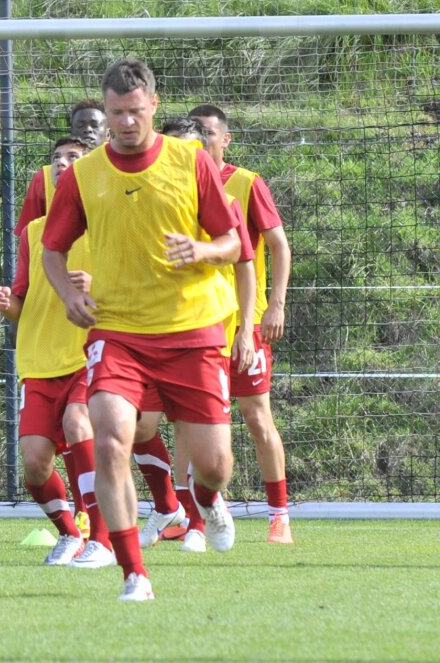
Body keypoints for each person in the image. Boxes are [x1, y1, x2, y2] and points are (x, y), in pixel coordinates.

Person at [42, 57, 242, 602]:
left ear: (154, 104)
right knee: (110, 441)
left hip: (192, 328)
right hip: (118, 331)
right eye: (115, 113)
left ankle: (208, 498)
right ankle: (134, 573)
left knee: (215, 465)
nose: (126, 122)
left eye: (134, 111)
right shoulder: (84, 174)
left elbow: (233, 244)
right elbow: (52, 250)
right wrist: (69, 295)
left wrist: (201, 249)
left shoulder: (190, 160)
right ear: (105, 112)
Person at [132, 115, 257, 553]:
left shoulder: (224, 203)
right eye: (175, 149)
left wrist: (245, 329)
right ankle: (170, 507)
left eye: (191, 150)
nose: (183, 158)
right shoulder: (143, 197)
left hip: (207, 332)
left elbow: (245, 264)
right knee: (135, 425)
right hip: (146, 330)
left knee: (196, 440)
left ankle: (203, 511)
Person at [0, 136, 115, 568]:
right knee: (35, 464)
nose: (62, 163)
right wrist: (8, 304)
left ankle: (103, 538)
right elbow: (22, 303)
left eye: (73, 157)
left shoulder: (105, 223)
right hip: (38, 361)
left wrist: (95, 288)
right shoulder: (34, 234)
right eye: (56, 158)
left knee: (79, 423)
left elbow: (132, 288)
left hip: (87, 354)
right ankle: (70, 534)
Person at [191, 103, 294, 543]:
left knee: (255, 416)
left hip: (244, 324)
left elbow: (278, 246)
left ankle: (279, 513)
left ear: (225, 139)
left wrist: (276, 305)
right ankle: (198, 515)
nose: (202, 139)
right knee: (194, 423)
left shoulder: (247, 183)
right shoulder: (180, 181)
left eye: (209, 133)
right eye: (196, 133)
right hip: (196, 322)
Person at [14, 99, 108, 235]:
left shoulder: (120, 172)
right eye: (80, 125)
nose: (88, 130)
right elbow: (28, 236)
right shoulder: (45, 176)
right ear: (71, 132)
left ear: (108, 134)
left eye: (95, 125)